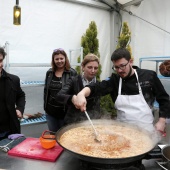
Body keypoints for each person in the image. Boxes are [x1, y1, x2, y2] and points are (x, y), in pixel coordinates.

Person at [72, 48, 170, 134]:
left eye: (122, 66)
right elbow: (97, 87)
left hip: (146, 130)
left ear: (130, 62)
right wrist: (82, 93)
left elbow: (164, 99)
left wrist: (161, 121)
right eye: (116, 67)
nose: (119, 70)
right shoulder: (115, 80)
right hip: (122, 131)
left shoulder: (149, 76)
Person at [56, 53, 101, 125]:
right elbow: (59, 96)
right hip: (73, 122)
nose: (93, 71)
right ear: (83, 67)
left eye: (95, 68)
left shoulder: (98, 84)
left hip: (91, 122)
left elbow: (97, 106)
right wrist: (72, 98)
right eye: (89, 67)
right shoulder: (74, 80)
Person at [44, 48, 77, 132]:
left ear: (65, 59)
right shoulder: (49, 73)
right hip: (51, 113)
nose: (59, 61)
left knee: (64, 137)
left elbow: (75, 92)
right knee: (53, 135)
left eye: (61, 58)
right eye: (57, 59)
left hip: (65, 113)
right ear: (53, 60)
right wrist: (45, 107)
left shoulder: (72, 73)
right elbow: (46, 91)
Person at [0, 47, 26, 140]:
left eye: (0, 60)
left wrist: (19, 109)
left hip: (10, 130)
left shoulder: (13, 80)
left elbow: (20, 95)